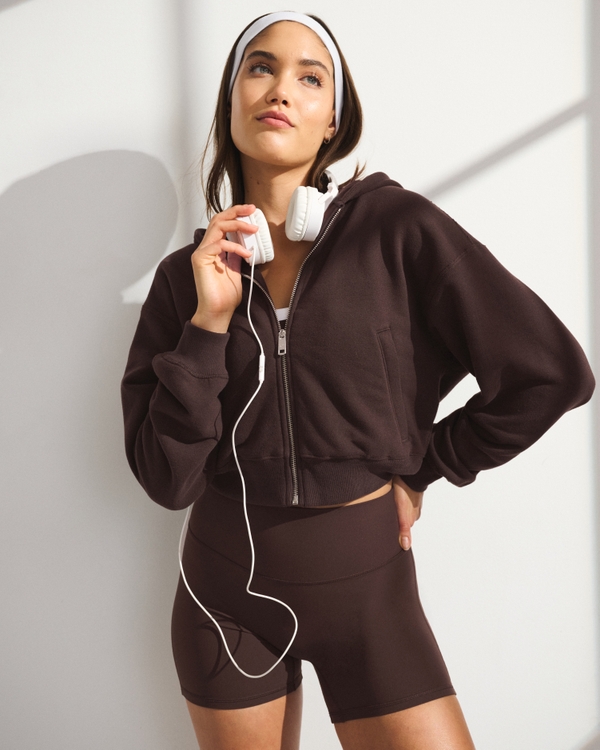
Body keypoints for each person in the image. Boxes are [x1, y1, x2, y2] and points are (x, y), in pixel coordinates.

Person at [121, 11, 595, 750]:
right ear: (231, 98)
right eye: (260, 67)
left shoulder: (395, 230)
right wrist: (209, 322)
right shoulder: (186, 280)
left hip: (370, 597)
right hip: (223, 604)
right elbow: (167, 480)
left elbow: (551, 373)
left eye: (310, 77)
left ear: (332, 121)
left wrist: (430, 465)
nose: (282, 88)